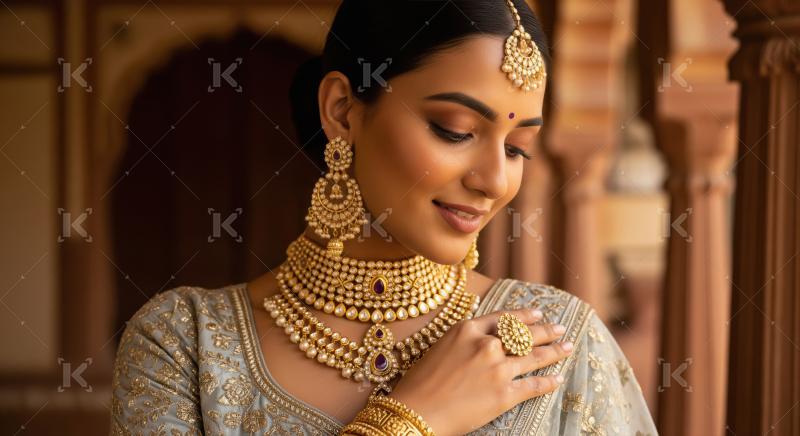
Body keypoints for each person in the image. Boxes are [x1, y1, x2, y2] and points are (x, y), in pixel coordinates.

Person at [109, 1, 658, 435]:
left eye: (517, 149)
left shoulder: (559, 343)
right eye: (454, 131)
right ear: (342, 111)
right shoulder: (182, 346)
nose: (494, 180)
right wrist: (414, 418)